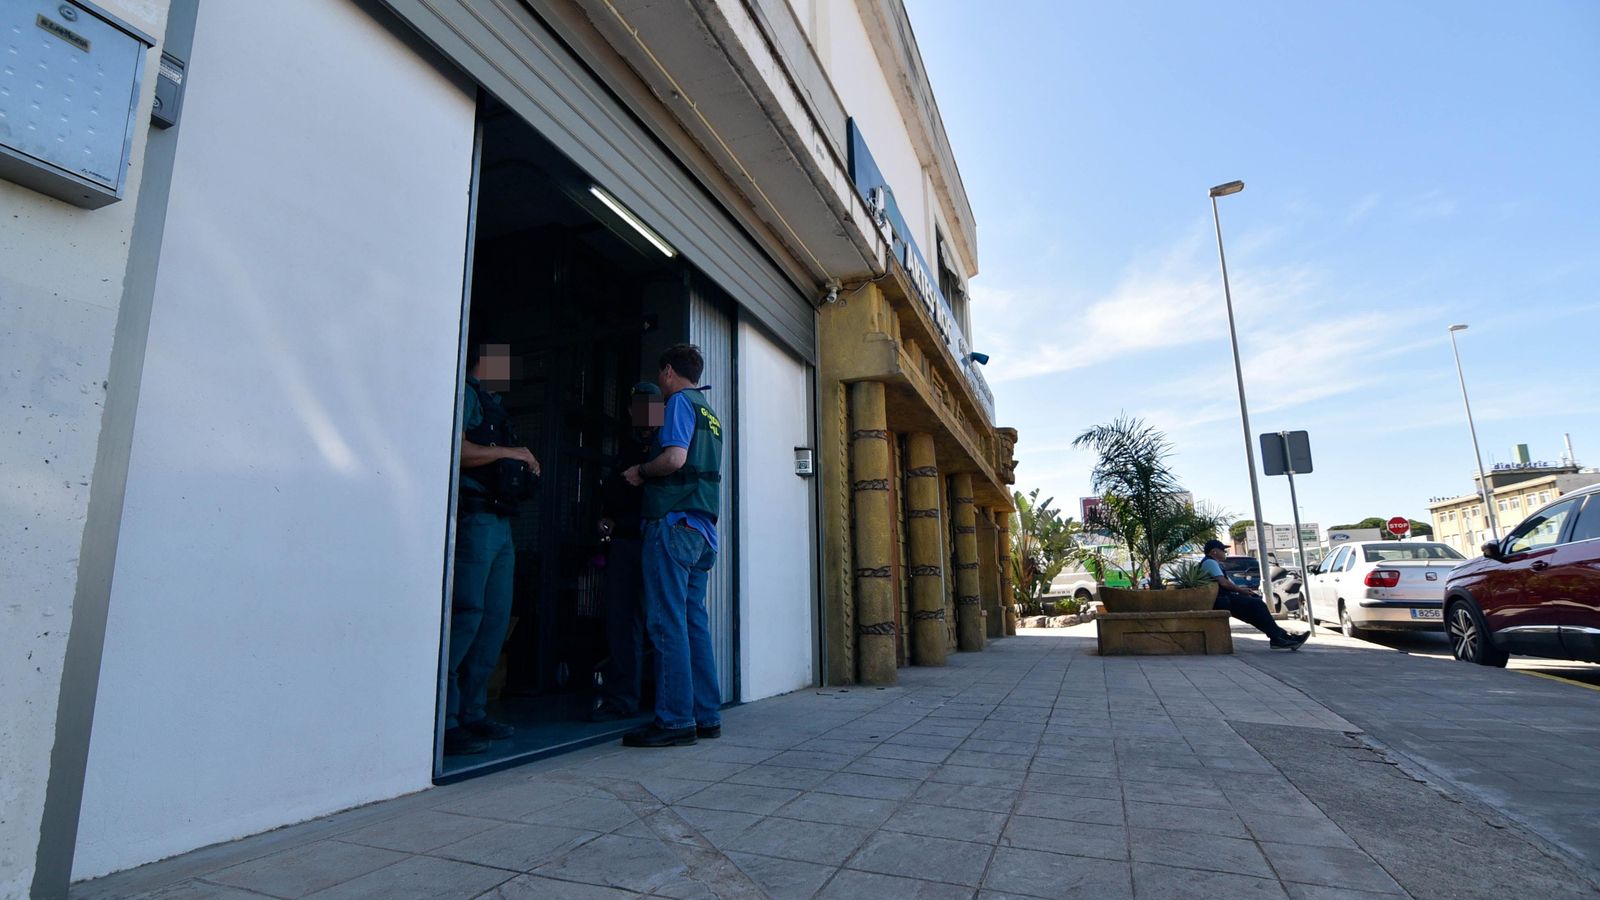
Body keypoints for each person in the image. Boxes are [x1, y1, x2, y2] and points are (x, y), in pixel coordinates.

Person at [621, 344, 723, 747]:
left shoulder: (679, 402)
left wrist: (641, 472)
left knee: (666, 622)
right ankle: (706, 715)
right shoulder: (709, 412)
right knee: (693, 621)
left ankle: (676, 721)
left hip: (674, 525)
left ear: (667, 372)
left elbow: (675, 459)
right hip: (702, 531)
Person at [446, 342, 541, 755]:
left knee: (495, 618)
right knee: (467, 612)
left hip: (501, 522)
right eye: (503, 363)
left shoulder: (495, 405)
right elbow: (457, 450)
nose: (509, 372)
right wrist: (510, 453)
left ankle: (473, 712)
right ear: (484, 362)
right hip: (476, 519)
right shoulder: (466, 393)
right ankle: (445, 720)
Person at [590, 382, 662, 722]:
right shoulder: (625, 445)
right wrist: (607, 517)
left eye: (651, 404)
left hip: (657, 541)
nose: (644, 411)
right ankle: (623, 700)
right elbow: (614, 492)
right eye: (639, 405)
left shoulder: (667, 444)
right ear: (631, 411)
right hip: (625, 543)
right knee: (621, 622)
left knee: (664, 621)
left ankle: (670, 702)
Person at [1202, 539, 1307, 650]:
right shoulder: (1210, 562)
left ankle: (1283, 638)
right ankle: (1279, 638)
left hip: (1225, 599)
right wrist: (1241, 591)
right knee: (1258, 605)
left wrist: (1243, 591)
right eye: (1223, 550)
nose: (1225, 553)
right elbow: (1223, 582)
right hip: (1222, 599)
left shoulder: (1212, 563)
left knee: (1256, 613)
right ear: (1214, 552)